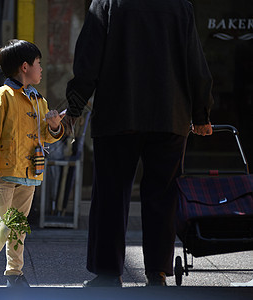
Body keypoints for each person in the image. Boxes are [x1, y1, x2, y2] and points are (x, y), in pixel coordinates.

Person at [64, 0, 214, 287]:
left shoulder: (107, 2)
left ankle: (108, 273)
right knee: (162, 194)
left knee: (111, 194)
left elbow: (89, 56)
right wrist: (200, 113)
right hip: (170, 114)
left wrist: (75, 106)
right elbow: (195, 60)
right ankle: (157, 272)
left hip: (118, 113)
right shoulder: (179, 6)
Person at [0, 39, 65, 288]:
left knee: (18, 227)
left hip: (29, 173)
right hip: (3, 172)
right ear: (25, 67)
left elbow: (46, 135)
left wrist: (55, 126)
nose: (41, 68)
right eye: (38, 63)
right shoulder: (0, 97)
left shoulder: (38, 100)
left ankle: (14, 273)